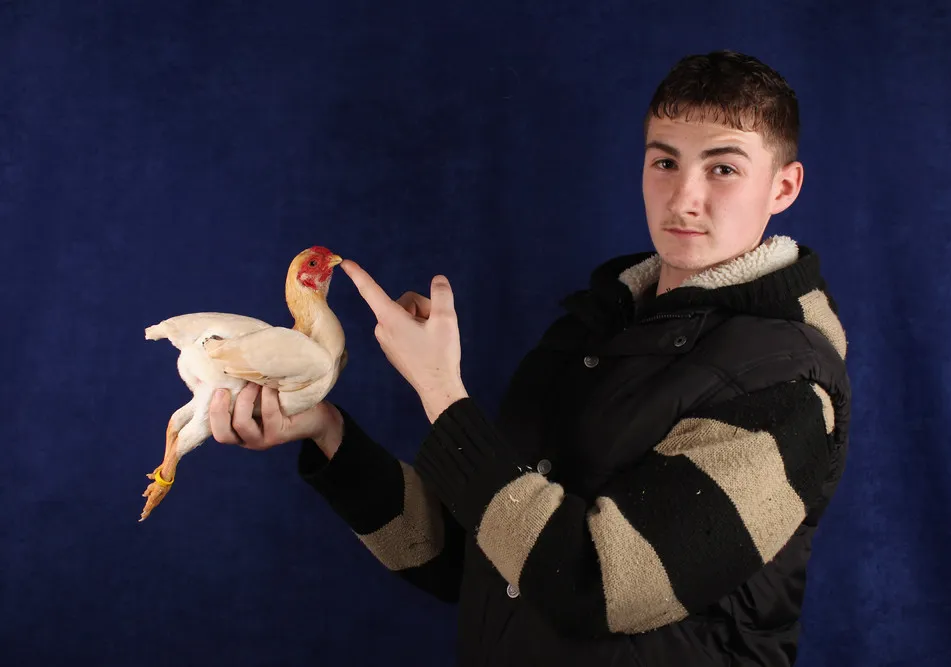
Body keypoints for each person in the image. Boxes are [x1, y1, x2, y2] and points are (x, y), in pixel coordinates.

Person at [208, 49, 851, 667]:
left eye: (723, 168)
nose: (683, 197)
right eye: (664, 162)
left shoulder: (789, 385)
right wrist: (327, 432)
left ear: (784, 187)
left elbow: (595, 584)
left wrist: (440, 392)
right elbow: (478, 555)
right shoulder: (589, 333)